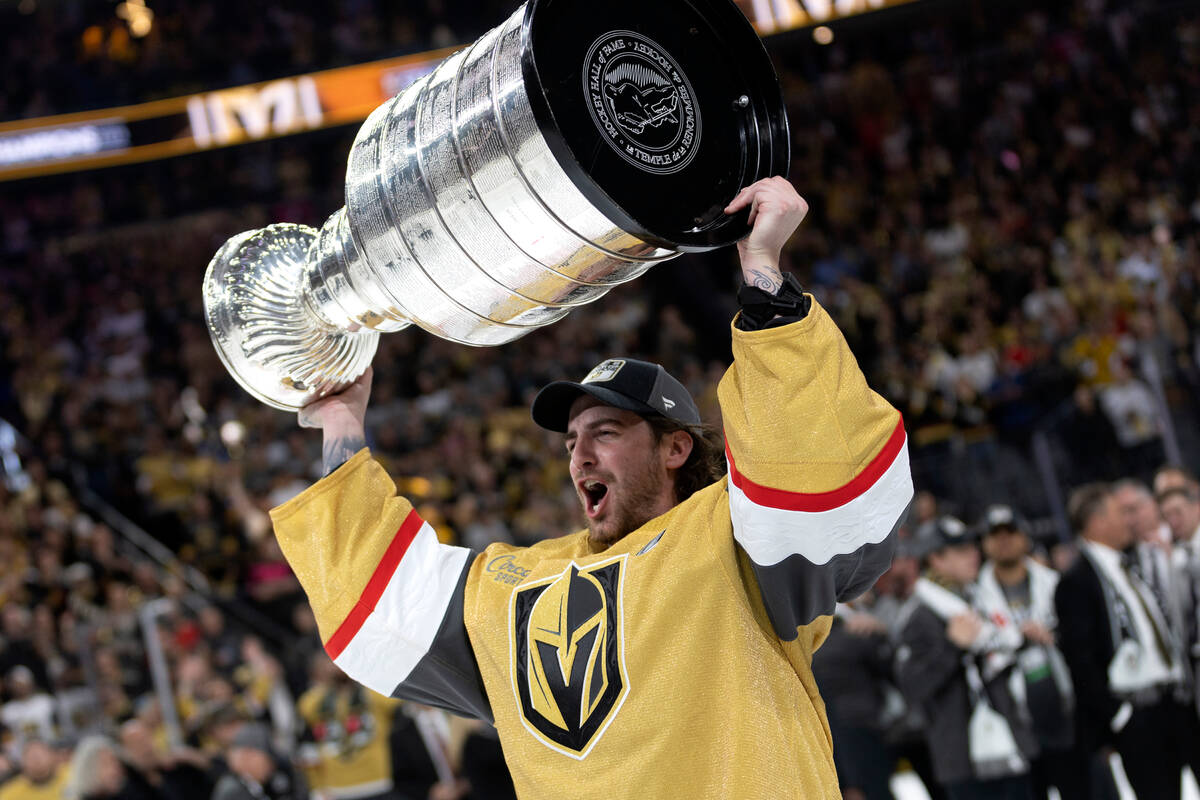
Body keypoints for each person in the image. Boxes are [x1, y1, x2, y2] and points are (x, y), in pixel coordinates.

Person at [269, 177, 913, 796]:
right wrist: (341, 423)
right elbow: (383, 602)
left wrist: (765, 276)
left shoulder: (737, 538)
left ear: (675, 448)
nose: (579, 456)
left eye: (606, 432)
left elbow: (818, 476)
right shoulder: (517, 585)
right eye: (572, 441)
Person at [1054, 483, 1191, 800]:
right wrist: (1120, 715)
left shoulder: (1130, 564)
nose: (1129, 521)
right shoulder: (1076, 581)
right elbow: (1080, 660)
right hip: (1138, 715)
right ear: (1096, 522)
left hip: (1174, 704)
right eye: (1120, 513)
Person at [895, 516, 1037, 800]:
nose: (974, 555)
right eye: (961, 551)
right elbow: (912, 687)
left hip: (1010, 745)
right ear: (936, 560)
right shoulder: (919, 616)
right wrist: (952, 646)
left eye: (972, 547)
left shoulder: (980, 599)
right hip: (964, 761)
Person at [972, 505, 1087, 800]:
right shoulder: (974, 599)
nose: (1004, 540)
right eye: (995, 535)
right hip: (1017, 728)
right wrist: (1014, 640)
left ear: (1025, 537)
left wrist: (1053, 637)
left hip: (1068, 718)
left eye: (1011, 532)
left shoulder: (1056, 584)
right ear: (984, 544)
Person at [0, 740, 69, 800]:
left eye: (41, 754)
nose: (37, 761)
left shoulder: (72, 775)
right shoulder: (10, 794)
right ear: (22, 763)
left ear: (53, 756)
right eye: (31, 757)